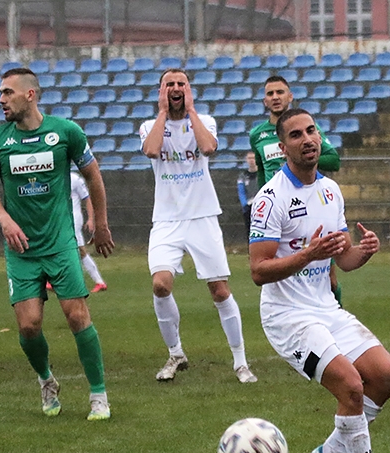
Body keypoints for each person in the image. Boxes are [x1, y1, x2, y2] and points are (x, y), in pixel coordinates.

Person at [249, 108, 390, 453]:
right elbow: (258, 272)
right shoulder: (270, 199)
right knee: (351, 387)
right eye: (296, 135)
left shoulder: (331, 191)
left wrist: (362, 253)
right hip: (288, 316)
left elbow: (342, 260)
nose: (307, 139)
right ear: (282, 148)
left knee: (386, 377)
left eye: (312, 131)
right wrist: (307, 254)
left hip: (324, 306)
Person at [0, 67, 114, 421]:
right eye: (0, 93)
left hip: (60, 244)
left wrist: (100, 224)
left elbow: (93, 176)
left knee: (77, 315)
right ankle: (46, 379)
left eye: (8, 92)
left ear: (30, 95)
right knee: (29, 326)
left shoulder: (65, 132)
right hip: (21, 251)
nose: (1, 100)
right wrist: (5, 219)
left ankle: (98, 395)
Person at [140, 68, 257, 384]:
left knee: (219, 290)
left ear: (189, 89)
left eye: (181, 84)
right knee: (160, 284)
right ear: (161, 90)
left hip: (203, 216)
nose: (176, 88)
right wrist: (164, 113)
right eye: (169, 84)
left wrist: (190, 111)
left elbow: (208, 148)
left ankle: (240, 362)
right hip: (166, 219)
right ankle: (176, 353)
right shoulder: (150, 126)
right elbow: (151, 150)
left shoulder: (204, 121)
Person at [249, 75, 344, 306]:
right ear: (264, 100)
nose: (275, 97)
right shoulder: (257, 135)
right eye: (270, 94)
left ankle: (334, 315)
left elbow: (333, 160)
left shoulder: (308, 130)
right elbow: (262, 172)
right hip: (279, 210)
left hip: (308, 206)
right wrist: (262, 203)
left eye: (280, 92)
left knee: (328, 279)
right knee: (280, 272)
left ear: (290, 96)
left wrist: (303, 158)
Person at [70, 171, 108, 293]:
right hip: (61, 220)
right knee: (74, 251)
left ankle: (99, 282)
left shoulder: (74, 178)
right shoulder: (55, 178)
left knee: (80, 251)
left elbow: (87, 199)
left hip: (73, 220)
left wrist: (91, 219)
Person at [237, 151, 258, 233]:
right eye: (249, 158)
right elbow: (241, 191)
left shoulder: (262, 174)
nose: (251, 160)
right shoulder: (242, 176)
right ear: (246, 160)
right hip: (249, 206)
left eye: (253, 158)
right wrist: (245, 205)